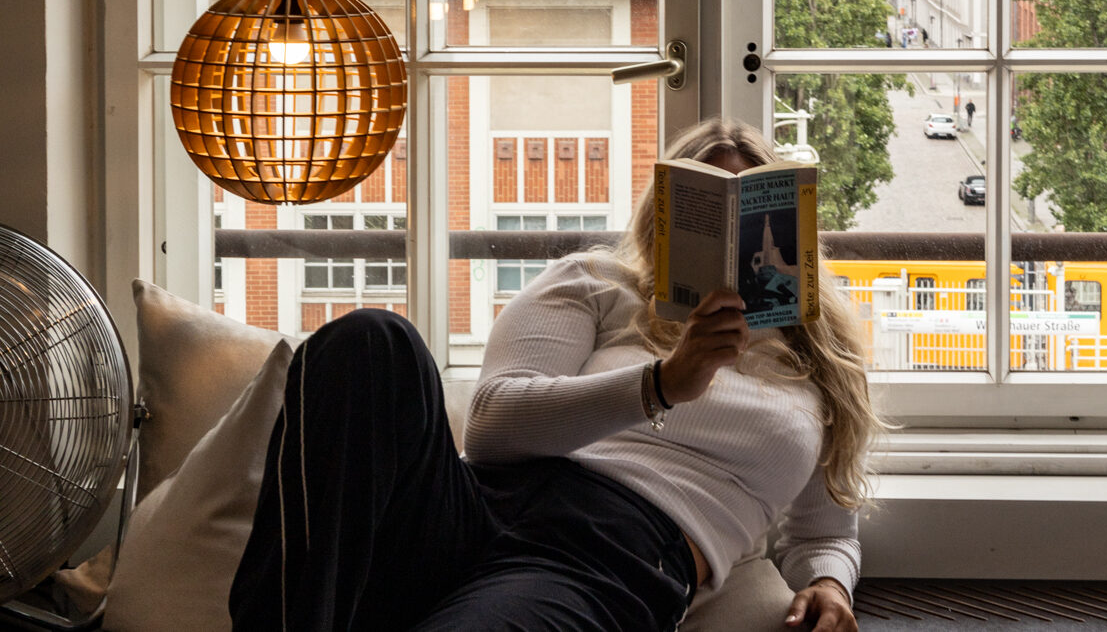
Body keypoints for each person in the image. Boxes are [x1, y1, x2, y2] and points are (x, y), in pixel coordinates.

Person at [229, 117, 880, 631]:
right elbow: (490, 425)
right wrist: (662, 382)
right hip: (476, 503)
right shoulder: (597, 283)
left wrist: (826, 581)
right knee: (374, 338)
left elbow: (823, 531)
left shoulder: (817, 369)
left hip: (614, 550)